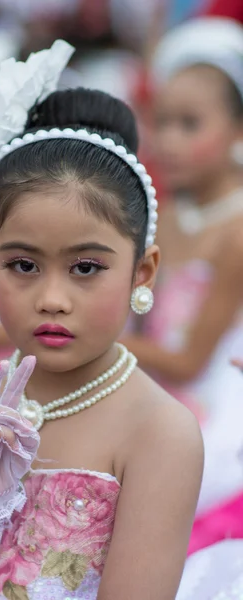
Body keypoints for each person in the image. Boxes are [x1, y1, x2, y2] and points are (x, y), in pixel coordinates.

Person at [0, 40, 242, 600]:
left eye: (86, 267)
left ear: (142, 273)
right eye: (22, 265)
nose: (53, 298)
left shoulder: (160, 432)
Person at [122, 17, 243, 554]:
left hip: (209, 405)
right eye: (161, 122)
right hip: (148, 385)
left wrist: (95, 342)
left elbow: (192, 362)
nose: (168, 141)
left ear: (238, 131)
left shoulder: (236, 233)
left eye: (190, 124)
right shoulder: (161, 214)